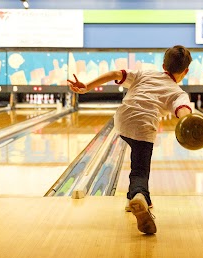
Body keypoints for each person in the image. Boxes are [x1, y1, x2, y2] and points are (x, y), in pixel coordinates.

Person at [68, 45, 193, 234]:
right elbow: (182, 110)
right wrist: (191, 124)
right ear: (186, 71)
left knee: (137, 156)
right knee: (140, 171)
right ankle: (138, 194)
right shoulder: (178, 92)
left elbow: (114, 73)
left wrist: (87, 86)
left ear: (163, 65)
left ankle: (137, 198)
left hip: (123, 118)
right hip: (143, 125)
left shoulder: (145, 74)